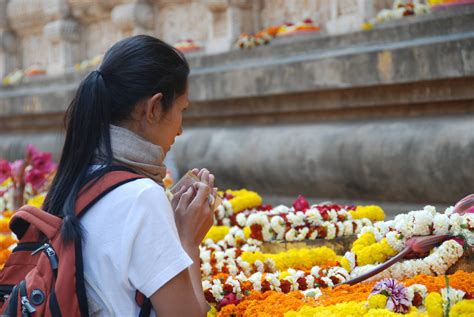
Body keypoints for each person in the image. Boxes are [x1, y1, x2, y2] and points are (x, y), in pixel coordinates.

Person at [42, 35, 213, 316]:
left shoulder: (80, 175)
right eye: (182, 110)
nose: (180, 130)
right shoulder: (142, 197)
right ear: (154, 108)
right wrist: (187, 241)